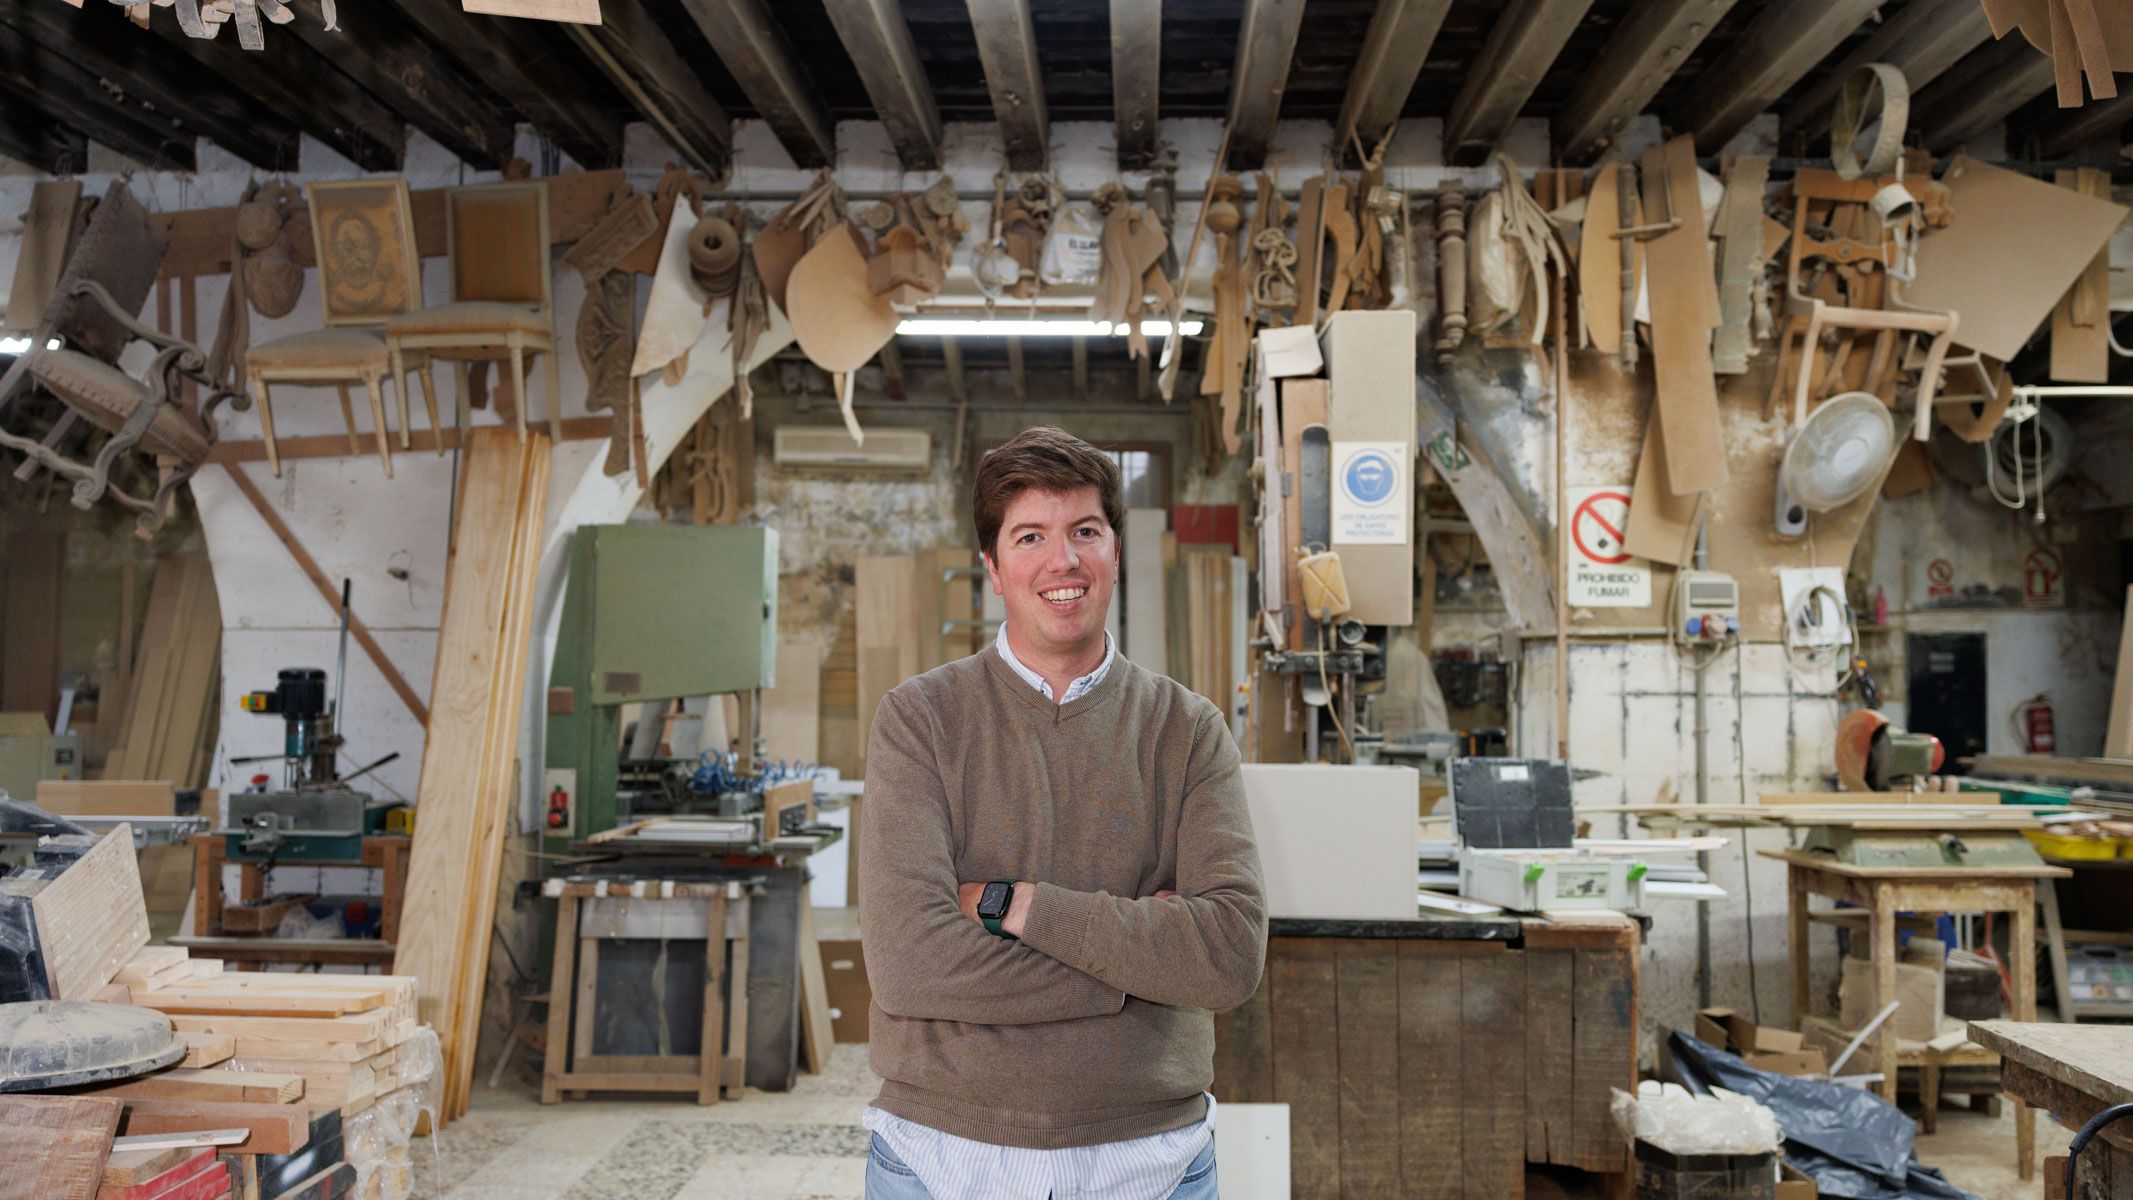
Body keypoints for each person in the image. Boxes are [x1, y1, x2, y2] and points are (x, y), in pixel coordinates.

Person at [857, 425, 1267, 1200]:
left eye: (1084, 531)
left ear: (1114, 548)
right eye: (1030, 536)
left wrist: (1016, 905)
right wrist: (1139, 970)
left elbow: (1228, 954)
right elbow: (908, 964)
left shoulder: (1186, 730)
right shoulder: (921, 719)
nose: (1062, 562)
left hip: (1153, 1163)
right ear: (993, 565)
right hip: (941, 1157)